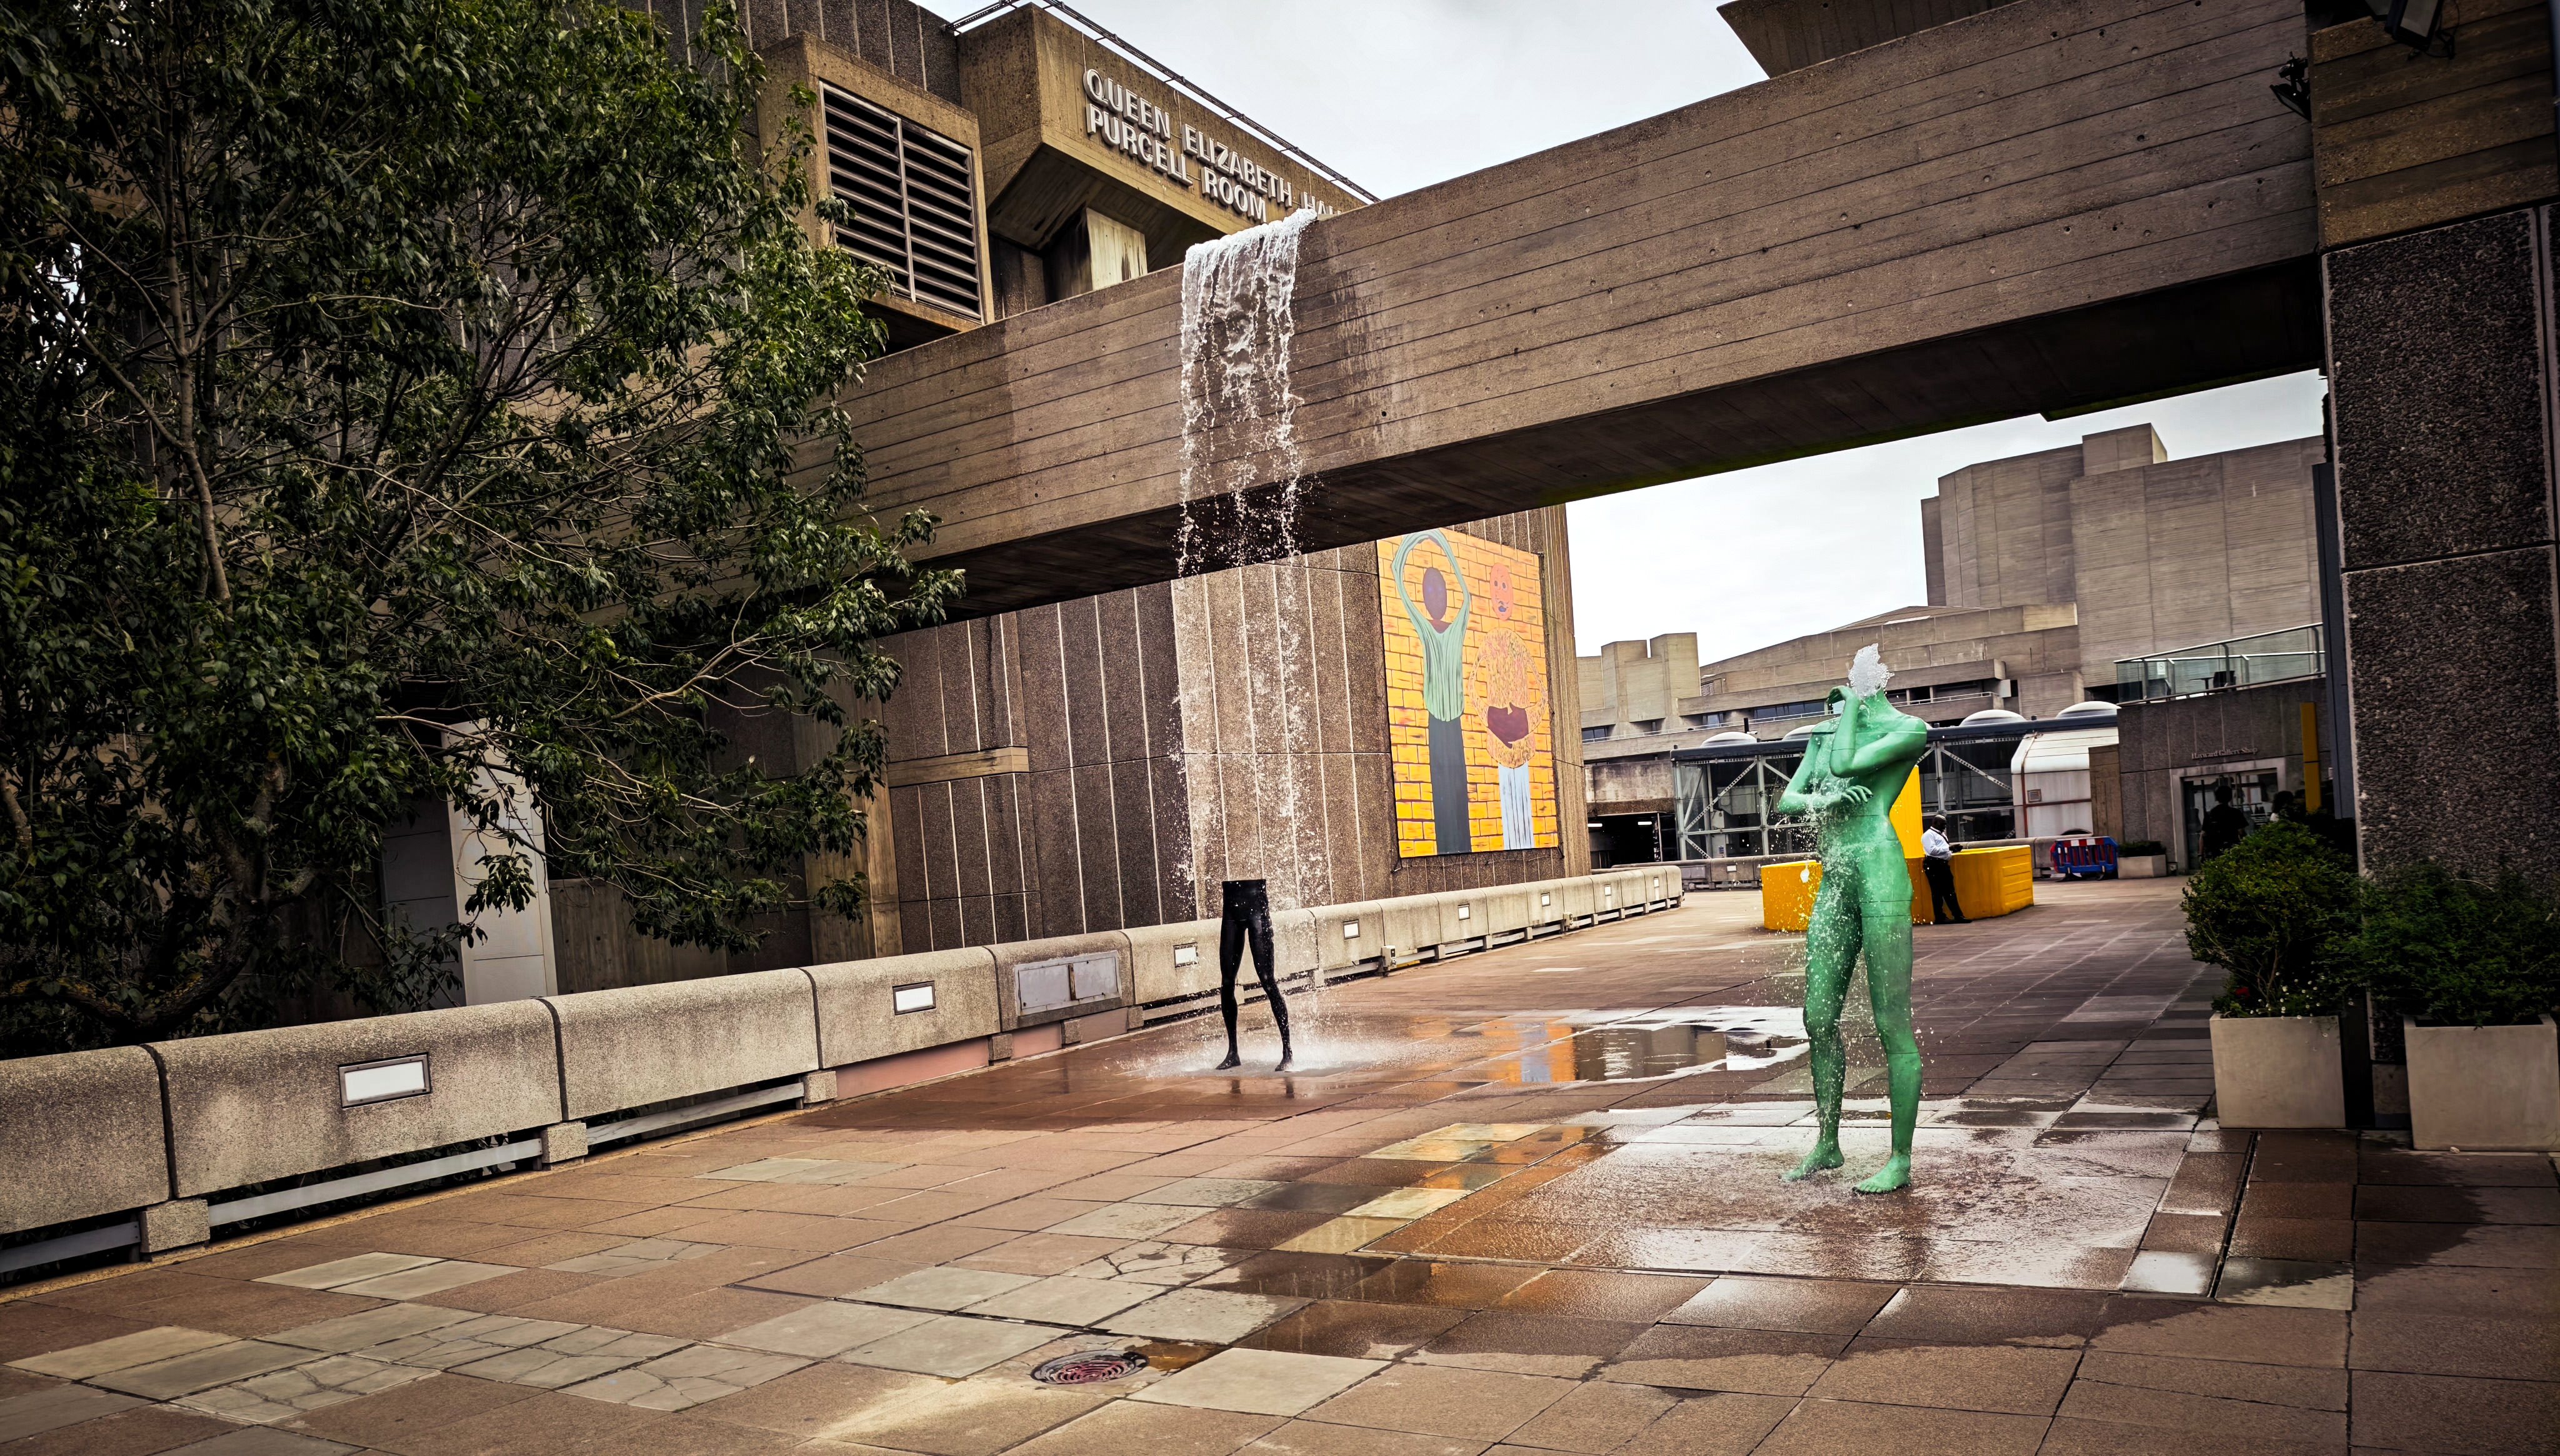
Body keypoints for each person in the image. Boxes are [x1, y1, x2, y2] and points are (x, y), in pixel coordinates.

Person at [1774, 651, 1929, 1194]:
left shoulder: (1908, 729)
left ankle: (1900, 1159)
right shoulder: (1823, 734)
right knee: (1817, 1018)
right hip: (1836, 877)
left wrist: (1848, 711)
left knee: (1892, 1023)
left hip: (1879, 870)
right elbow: (1787, 799)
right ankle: (1828, 1143)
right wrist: (1827, 798)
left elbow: (1845, 765)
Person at [1391, 531, 1473, 854]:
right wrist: (1420, 538)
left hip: (1455, 724)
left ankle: (1461, 848)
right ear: (1423, 597)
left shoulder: (1459, 625)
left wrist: (1443, 543)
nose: (1435, 596)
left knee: (1459, 792)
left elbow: (1468, 595)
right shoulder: (1425, 628)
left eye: (1439, 589)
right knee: (1441, 791)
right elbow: (1397, 572)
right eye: (1429, 590)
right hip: (1436, 722)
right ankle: (1447, 850)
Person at [1213, 878, 1293, 1072]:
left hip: (1256, 903)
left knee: (1267, 980)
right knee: (1227, 983)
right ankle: (1233, 1053)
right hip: (1231, 906)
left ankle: (1287, 1051)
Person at [1920, 814, 1968, 924]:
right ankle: (1944, 917)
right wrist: (1949, 848)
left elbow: (1941, 850)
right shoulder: (1928, 835)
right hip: (1934, 864)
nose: (1944, 827)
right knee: (1939, 892)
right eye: (1943, 824)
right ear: (1935, 823)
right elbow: (1932, 851)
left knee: (1948, 891)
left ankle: (1956, 916)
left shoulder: (1940, 834)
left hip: (1941, 864)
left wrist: (1952, 850)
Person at [2199, 782, 2251, 860]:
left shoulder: (2210, 814)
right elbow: (2241, 832)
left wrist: (2201, 854)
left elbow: (2203, 834)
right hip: (2232, 850)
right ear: (2230, 798)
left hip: (2214, 851)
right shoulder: (2236, 813)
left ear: (2216, 798)